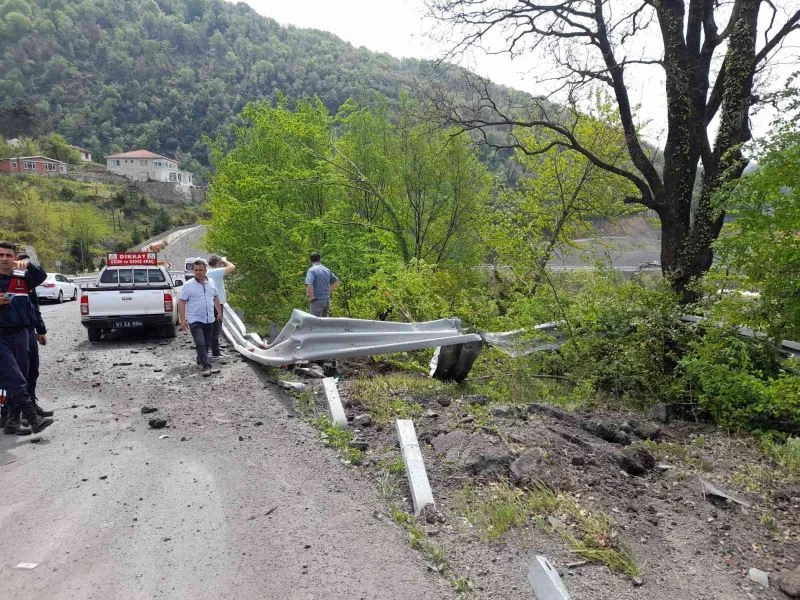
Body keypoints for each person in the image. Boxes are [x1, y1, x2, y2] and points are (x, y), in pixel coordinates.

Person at [0, 242, 54, 435]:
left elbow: (41, 276)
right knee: (14, 378)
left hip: (22, 334)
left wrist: (27, 262)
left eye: (8, 255)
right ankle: (32, 418)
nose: (5, 259)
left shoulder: (22, 277)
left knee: (23, 375)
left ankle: (12, 421)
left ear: (14, 257)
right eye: (1, 255)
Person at [177, 259, 222, 377]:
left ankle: (200, 361)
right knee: (200, 343)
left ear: (205, 270)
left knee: (206, 343)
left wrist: (219, 312)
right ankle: (207, 367)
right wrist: (183, 320)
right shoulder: (188, 285)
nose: (198, 272)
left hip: (209, 319)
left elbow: (216, 297)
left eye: (200, 270)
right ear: (193, 271)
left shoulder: (211, 282)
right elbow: (181, 302)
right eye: (195, 270)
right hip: (195, 319)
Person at [206, 255, 235, 359]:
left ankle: (212, 350)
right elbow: (232, 267)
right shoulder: (215, 272)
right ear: (217, 264)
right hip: (216, 305)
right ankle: (215, 353)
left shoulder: (208, 272)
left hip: (211, 304)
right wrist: (225, 260)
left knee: (212, 328)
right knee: (216, 328)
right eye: (220, 263)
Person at [305, 252, 339, 317]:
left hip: (317, 300)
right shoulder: (326, 270)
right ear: (320, 259)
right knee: (325, 323)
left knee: (315, 322)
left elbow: (309, 284)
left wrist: (312, 298)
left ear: (310, 260)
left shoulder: (312, 270)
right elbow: (336, 281)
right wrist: (329, 292)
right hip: (326, 300)